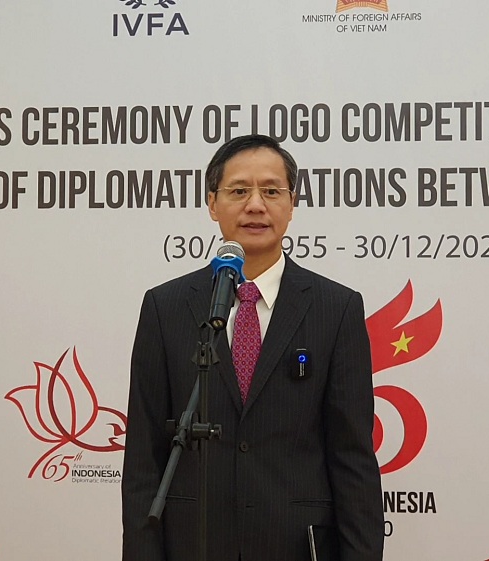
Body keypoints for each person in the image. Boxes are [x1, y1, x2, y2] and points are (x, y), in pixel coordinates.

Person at [122, 135, 384, 561]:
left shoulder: (336, 309)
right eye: (239, 190)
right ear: (212, 203)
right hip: (192, 544)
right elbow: (143, 461)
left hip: (296, 545)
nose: (256, 205)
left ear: (292, 203)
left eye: (272, 191)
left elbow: (353, 460)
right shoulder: (165, 307)